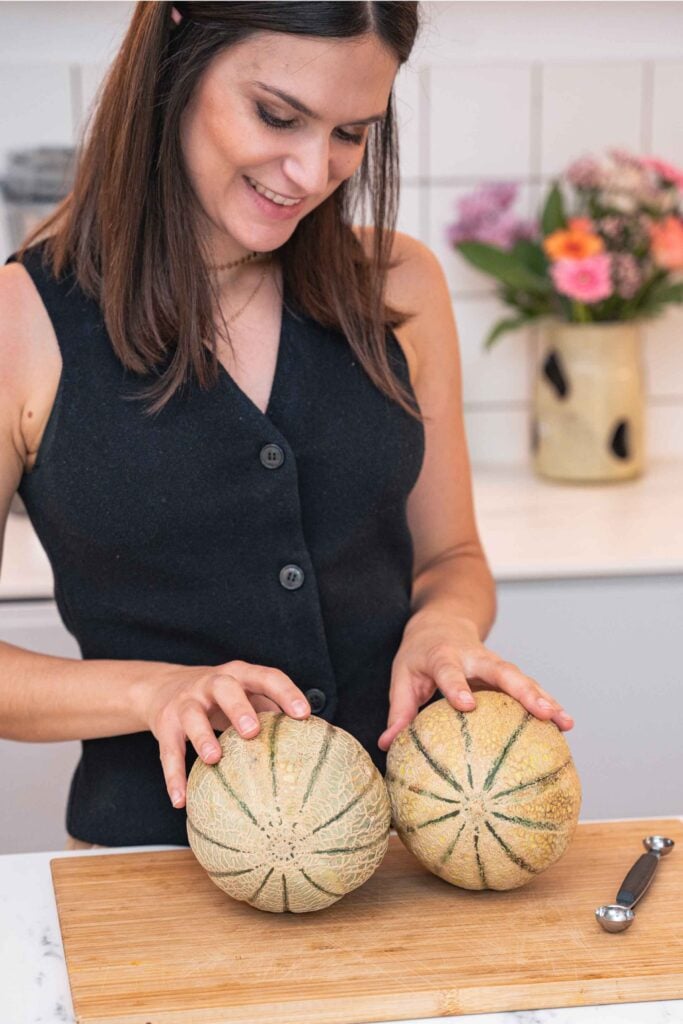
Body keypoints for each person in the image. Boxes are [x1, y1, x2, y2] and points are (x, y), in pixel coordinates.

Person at [0, 1, 574, 850]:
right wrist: (153, 693)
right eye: (277, 115)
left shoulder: (400, 286)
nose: (311, 172)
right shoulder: (23, 322)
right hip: (150, 875)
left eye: (352, 132)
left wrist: (441, 628)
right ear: (176, 59)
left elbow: (451, 558)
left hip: (401, 861)